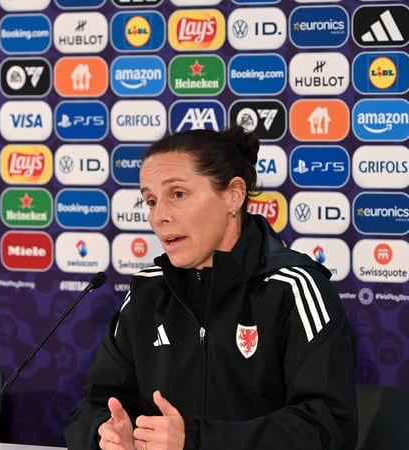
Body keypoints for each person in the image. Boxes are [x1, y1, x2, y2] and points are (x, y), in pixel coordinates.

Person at [65, 126, 358, 449]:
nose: (158, 216)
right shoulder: (147, 291)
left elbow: (328, 427)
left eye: (177, 194)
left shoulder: (293, 287)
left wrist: (197, 440)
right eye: (150, 200)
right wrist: (105, 434)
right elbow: (93, 406)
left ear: (233, 195)